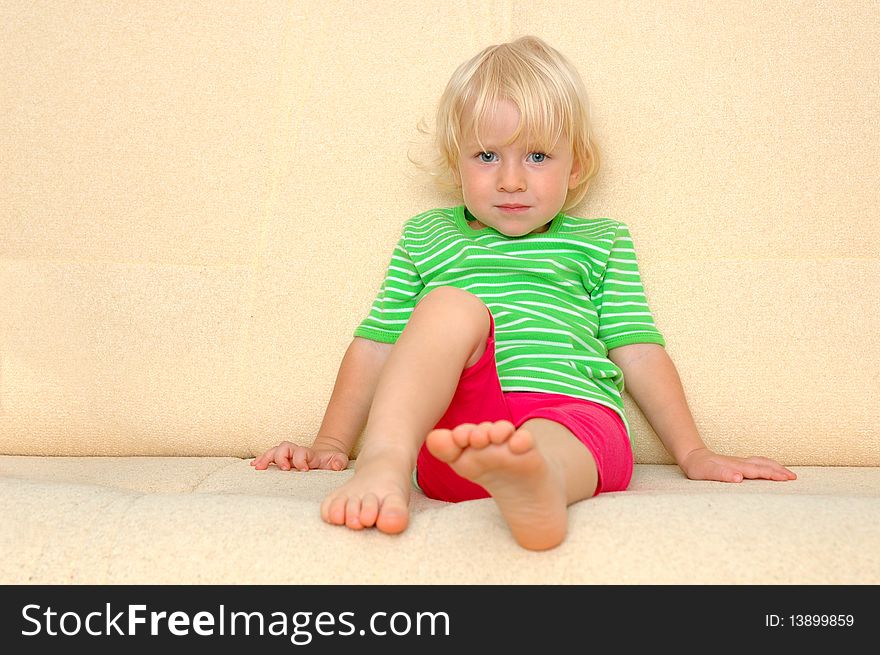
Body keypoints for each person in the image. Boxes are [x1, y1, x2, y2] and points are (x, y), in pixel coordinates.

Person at [251, 35, 796, 551]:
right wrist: (329, 444)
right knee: (447, 306)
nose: (511, 180)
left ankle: (536, 487)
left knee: (550, 442)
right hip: (454, 441)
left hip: (573, 416)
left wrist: (693, 452)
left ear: (575, 164)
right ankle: (383, 466)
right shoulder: (427, 236)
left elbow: (637, 347)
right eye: (487, 157)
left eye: (537, 157)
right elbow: (378, 344)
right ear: (454, 162)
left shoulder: (600, 241)